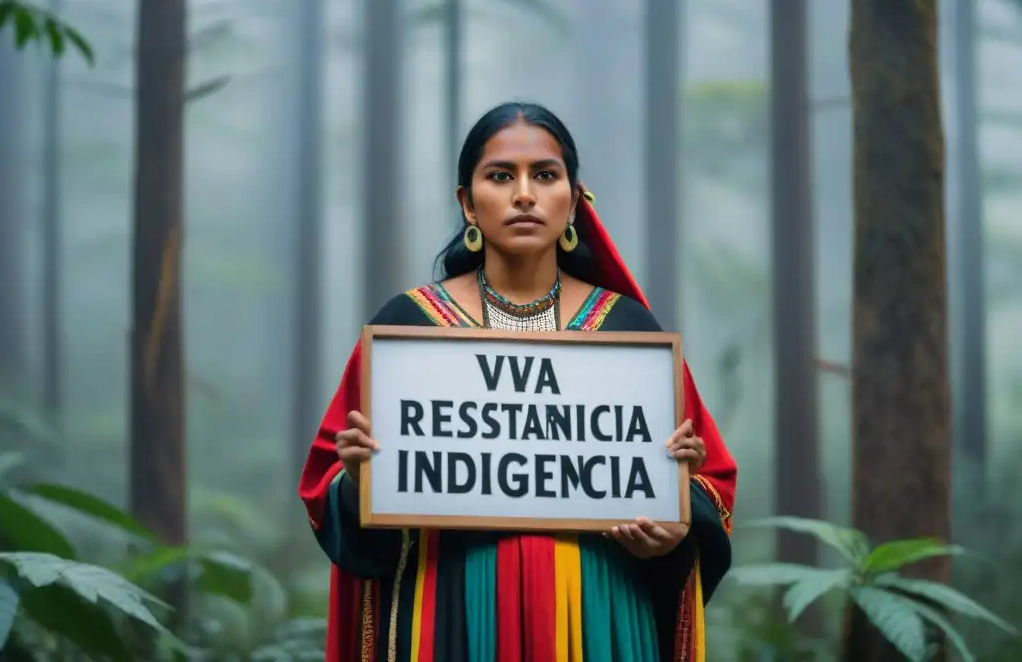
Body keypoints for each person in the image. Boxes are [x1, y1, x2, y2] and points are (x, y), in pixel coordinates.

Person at [299, 102, 737, 662]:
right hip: (446, 611)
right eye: (501, 176)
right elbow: (330, 490)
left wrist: (677, 523)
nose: (524, 194)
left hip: (600, 613)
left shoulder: (627, 332)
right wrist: (362, 479)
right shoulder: (407, 330)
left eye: (546, 176)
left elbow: (709, 489)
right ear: (468, 203)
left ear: (575, 201)